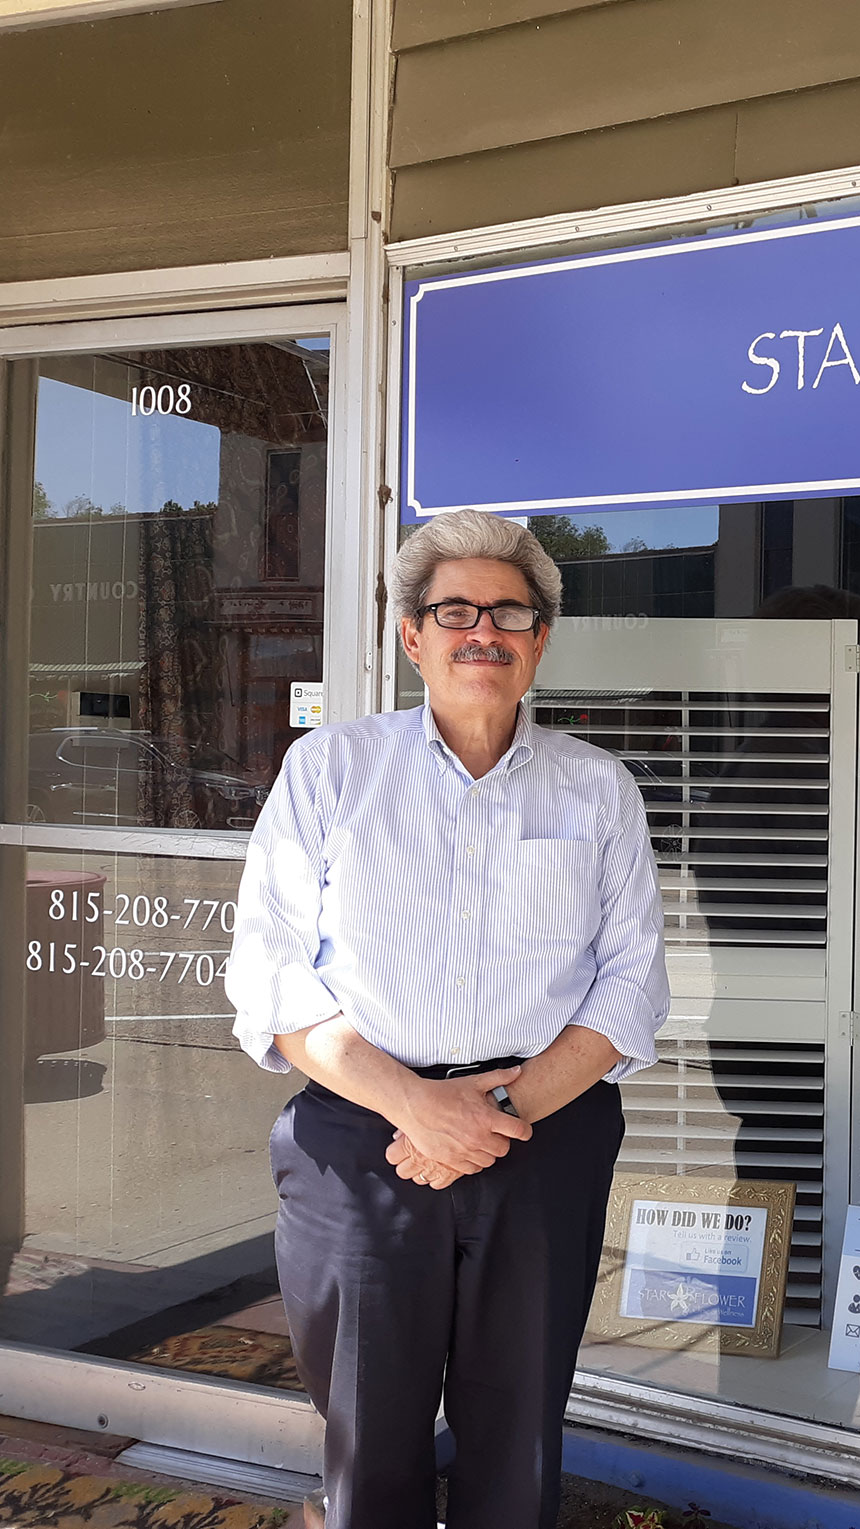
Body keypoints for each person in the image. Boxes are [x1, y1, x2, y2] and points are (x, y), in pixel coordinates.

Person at [227, 510, 669, 1529]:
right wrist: (417, 1108)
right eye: (453, 609)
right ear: (411, 635)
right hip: (359, 1131)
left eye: (509, 611)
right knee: (367, 1431)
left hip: (543, 1132)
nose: (484, 630)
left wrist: (494, 1108)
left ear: (540, 639)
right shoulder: (330, 772)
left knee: (517, 1434)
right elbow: (273, 973)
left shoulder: (597, 790)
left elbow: (630, 984)